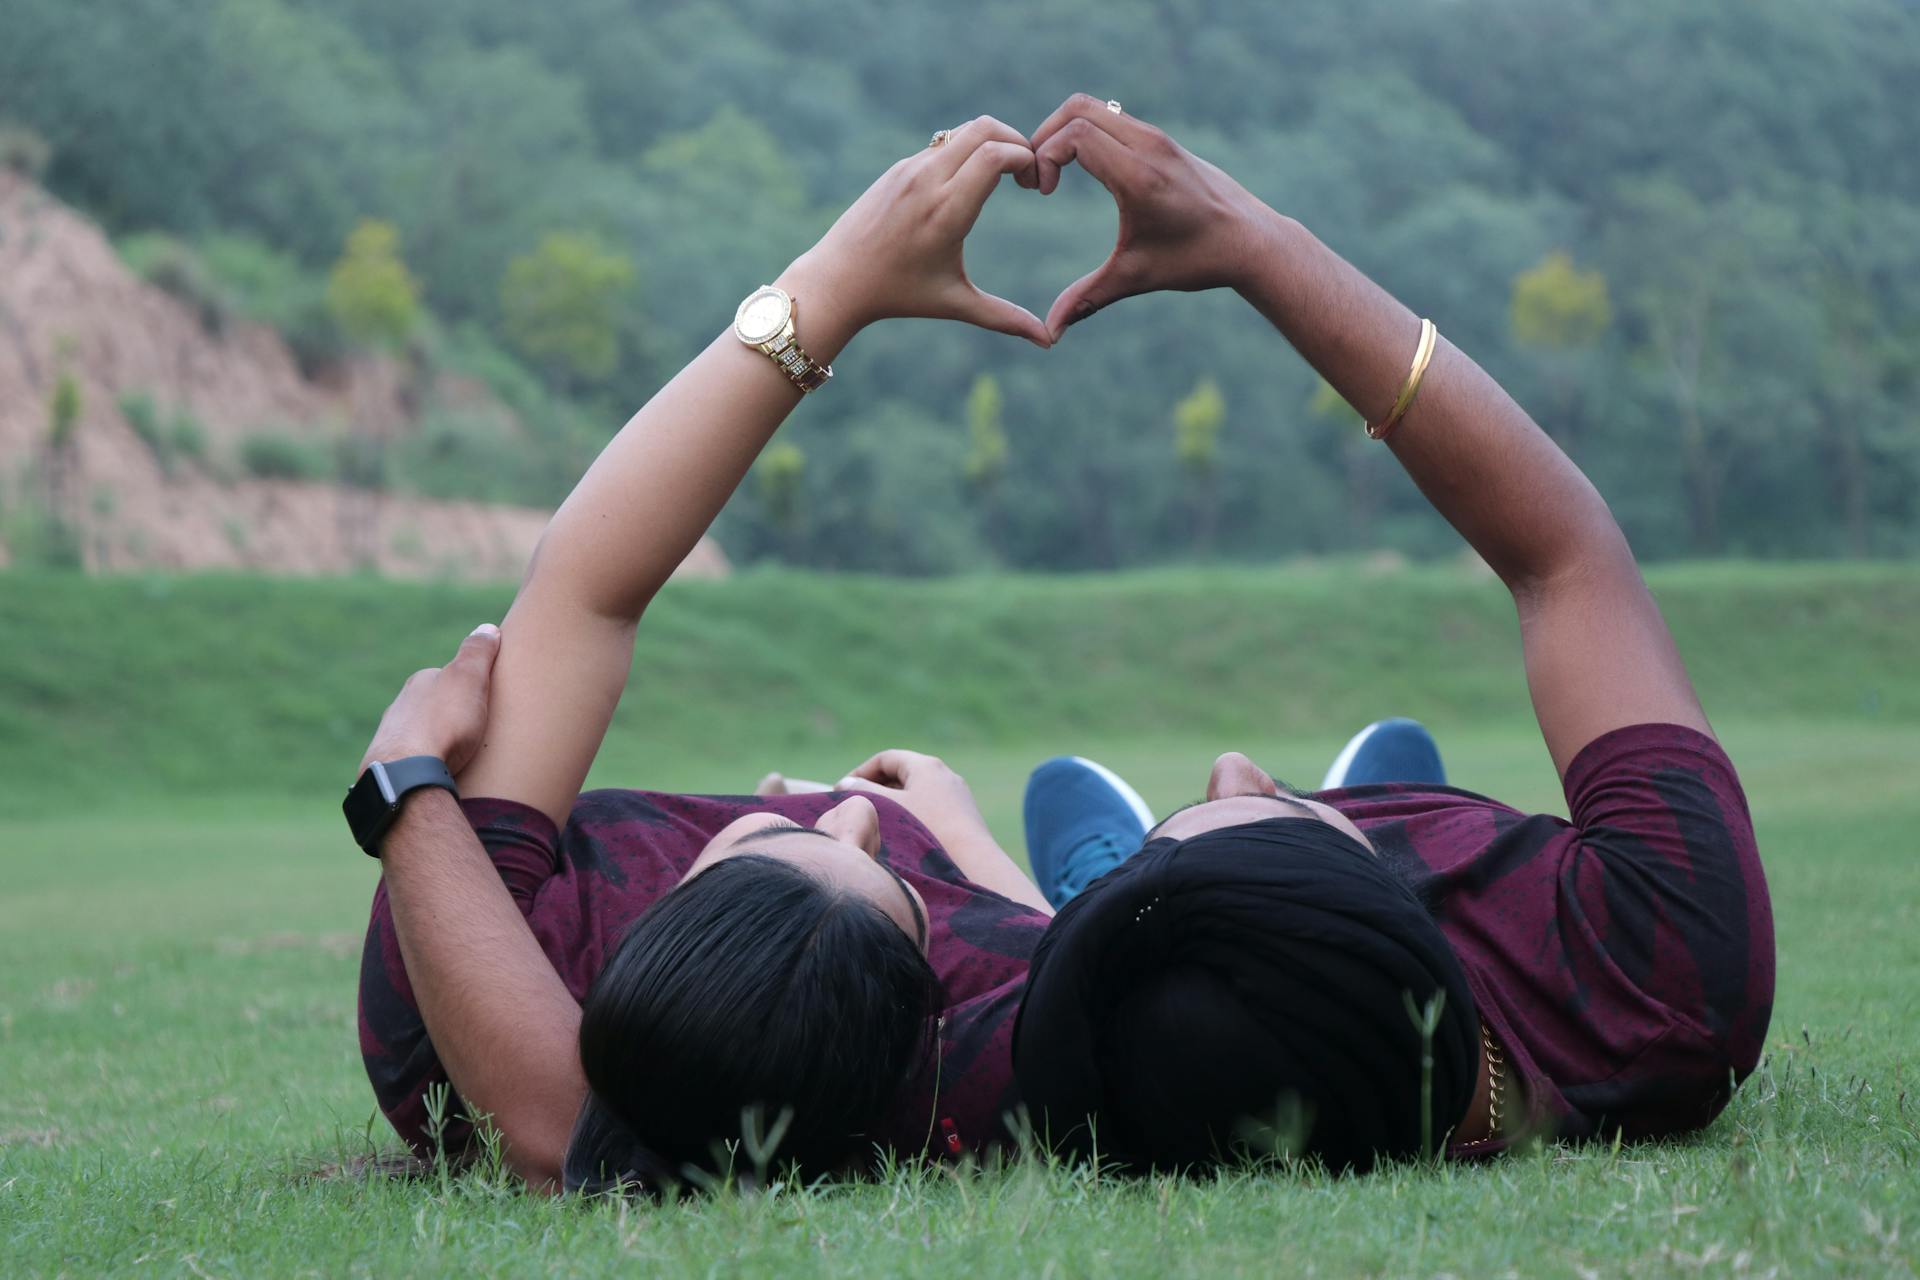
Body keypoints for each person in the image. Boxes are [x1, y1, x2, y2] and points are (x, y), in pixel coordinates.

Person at [1005, 96, 1775, 1172]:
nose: (1233, 764)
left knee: (1092, 952)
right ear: (1402, 916)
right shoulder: (1663, 967)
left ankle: (1099, 892)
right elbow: (1564, 555)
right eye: (1271, 814)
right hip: (1438, 928)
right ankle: (1151, 877)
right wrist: (1255, 244)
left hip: (1209, 990)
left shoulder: (1097, 1068)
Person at [351, 115, 1064, 1194]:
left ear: (663, 922)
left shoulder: (466, 970)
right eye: (891, 874)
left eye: (767, 838)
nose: (849, 813)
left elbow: (589, 588)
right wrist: (964, 844)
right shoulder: (986, 1042)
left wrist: (827, 291)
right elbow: (1081, 963)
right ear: (923, 1025)